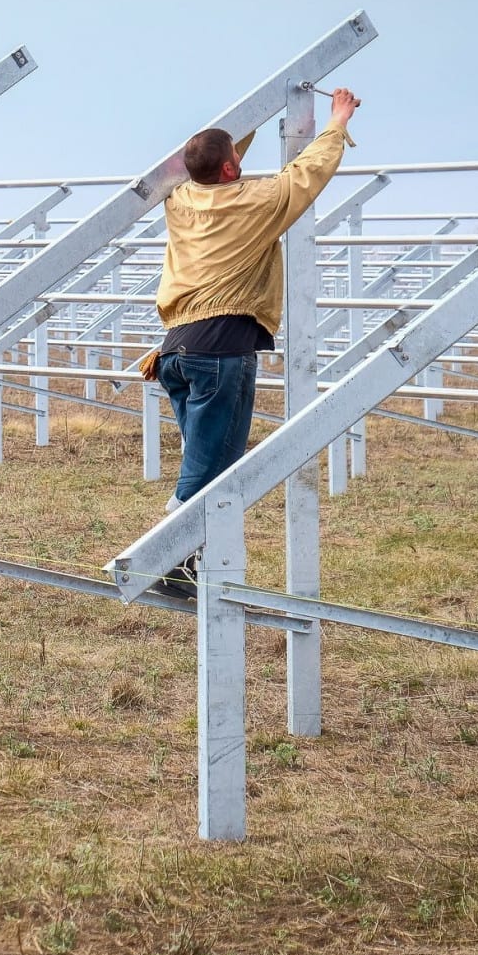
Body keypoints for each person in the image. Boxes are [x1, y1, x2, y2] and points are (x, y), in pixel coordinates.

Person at [142, 88, 361, 598]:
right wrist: (337, 121)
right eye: (237, 156)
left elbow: (216, 153)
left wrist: (251, 118)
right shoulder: (255, 203)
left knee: (206, 463)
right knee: (212, 471)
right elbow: (308, 176)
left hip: (177, 352)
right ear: (228, 170)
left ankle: (182, 563)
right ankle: (164, 560)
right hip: (221, 349)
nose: (243, 160)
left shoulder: (181, 199)